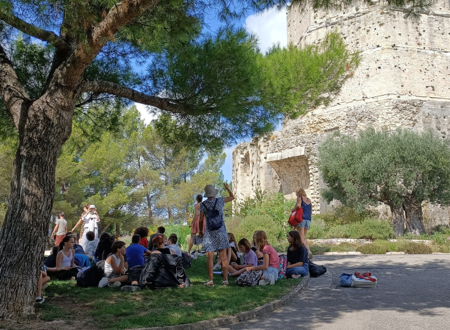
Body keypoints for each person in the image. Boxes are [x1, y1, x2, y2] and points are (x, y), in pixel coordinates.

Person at [198, 183, 234, 287]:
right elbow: (232, 197)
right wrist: (227, 188)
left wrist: (200, 230)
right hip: (221, 231)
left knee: (209, 256)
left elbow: (200, 219)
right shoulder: (220, 201)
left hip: (209, 232)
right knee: (223, 256)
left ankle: (210, 280)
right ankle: (226, 280)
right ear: (214, 193)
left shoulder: (203, 205)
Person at [292, 188, 313, 259]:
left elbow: (298, 206)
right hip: (308, 219)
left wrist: (293, 209)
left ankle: (307, 251)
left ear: (298, 193)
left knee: (301, 236)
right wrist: (309, 223)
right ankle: (305, 251)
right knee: (303, 237)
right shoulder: (309, 200)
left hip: (301, 218)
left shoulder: (299, 198)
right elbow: (311, 212)